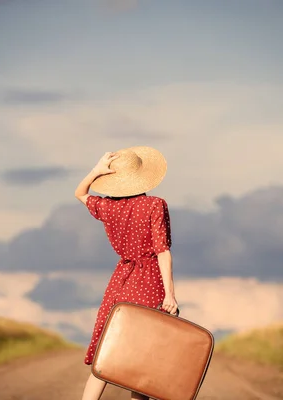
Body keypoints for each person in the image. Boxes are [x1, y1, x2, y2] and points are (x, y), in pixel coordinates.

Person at [74, 146, 178, 400]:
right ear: (144, 176)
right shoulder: (155, 205)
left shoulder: (107, 208)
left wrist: (97, 170)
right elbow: (162, 251)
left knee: (106, 355)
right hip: (150, 281)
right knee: (143, 362)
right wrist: (170, 295)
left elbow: (80, 193)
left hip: (121, 281)